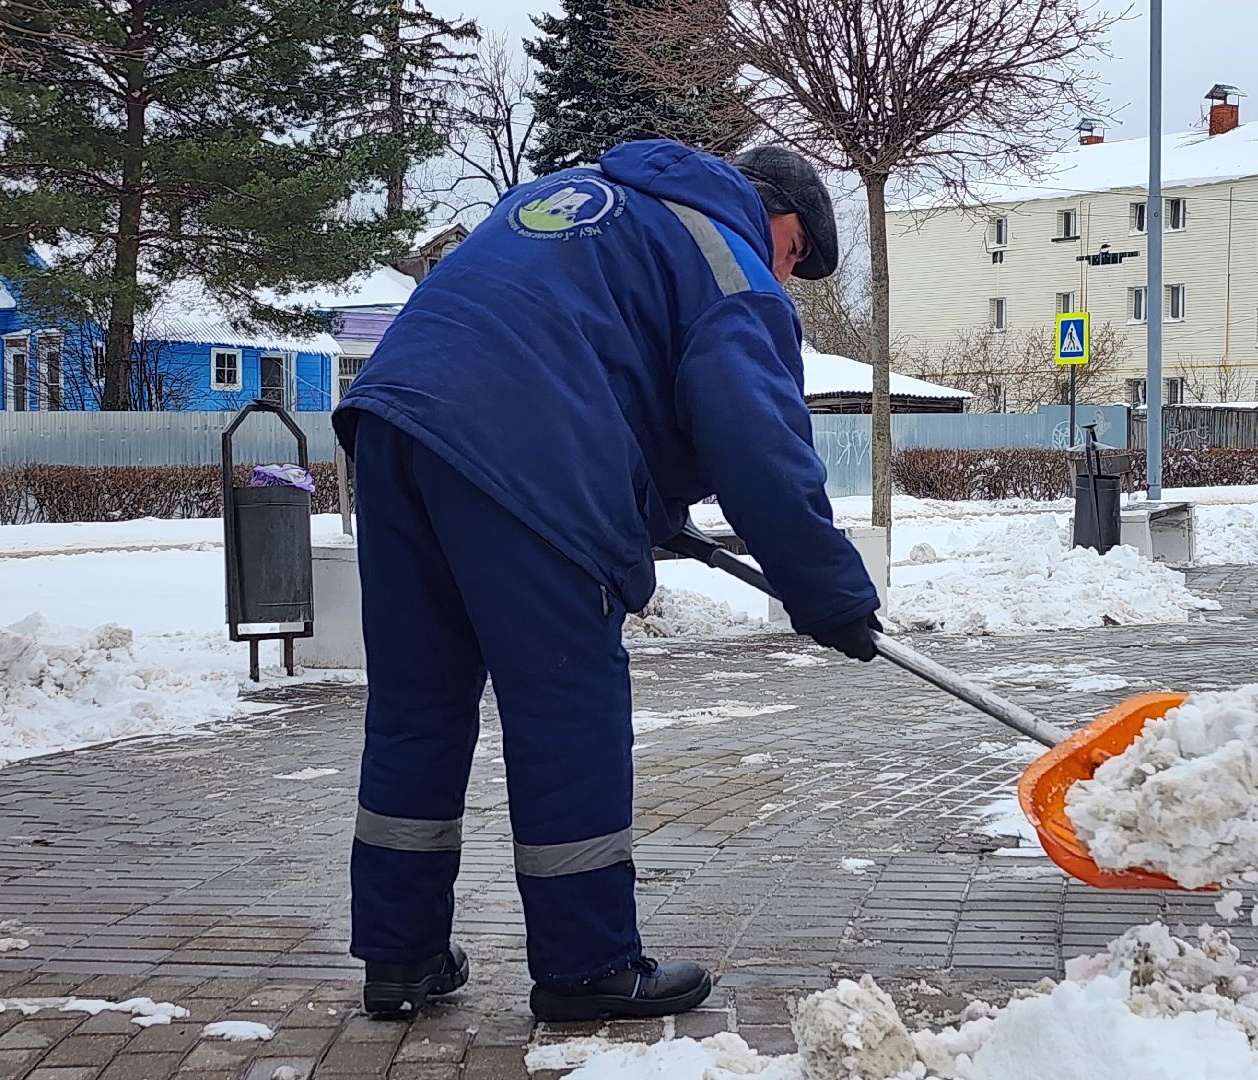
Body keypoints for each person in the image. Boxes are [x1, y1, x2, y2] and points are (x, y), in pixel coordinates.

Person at [332, 140, 881, 1023]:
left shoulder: (577, 197)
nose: (787, 277)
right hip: (525, 451)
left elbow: (587, 356)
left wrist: (656, 508)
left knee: (417, 705)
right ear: (779, 217)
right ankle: (586, 966)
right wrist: (832, 595)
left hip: (395, 424)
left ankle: (401, 957)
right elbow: (760, 444)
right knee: (564, 712)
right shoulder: (727, 257)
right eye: (796, 257)